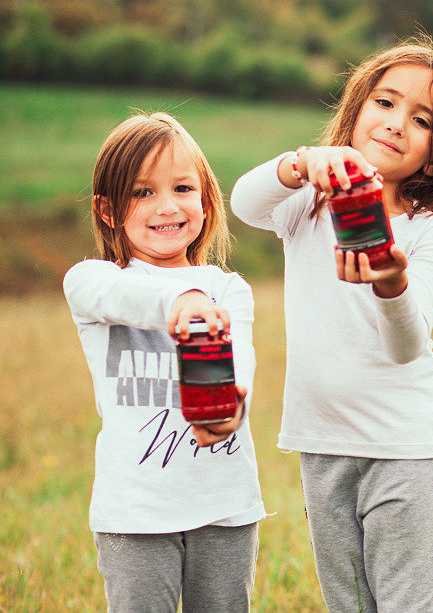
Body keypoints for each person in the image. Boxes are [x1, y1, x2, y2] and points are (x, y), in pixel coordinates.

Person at [230, 40, 433, 612]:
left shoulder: (427, 234)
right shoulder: (308, 204)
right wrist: (299, 164)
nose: (396, 124)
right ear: (356, 109)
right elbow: (243, 202)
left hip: (403, 447)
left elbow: (407, 344)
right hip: (322, 443)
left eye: (421, 121)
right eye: (385, 102)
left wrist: (390, 282)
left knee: (404, 605)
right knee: (347, 604)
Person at [63, 112, 265, 612]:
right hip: (135, 514)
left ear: (205, 201)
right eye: (143, 192)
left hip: (225, 509)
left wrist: (227, 411)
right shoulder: (93, 282)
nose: (168, 206)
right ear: (107, 210)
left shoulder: (227, 289)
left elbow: (240, 372)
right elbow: (118, 294)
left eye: (182, 188)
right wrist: (175, 304)